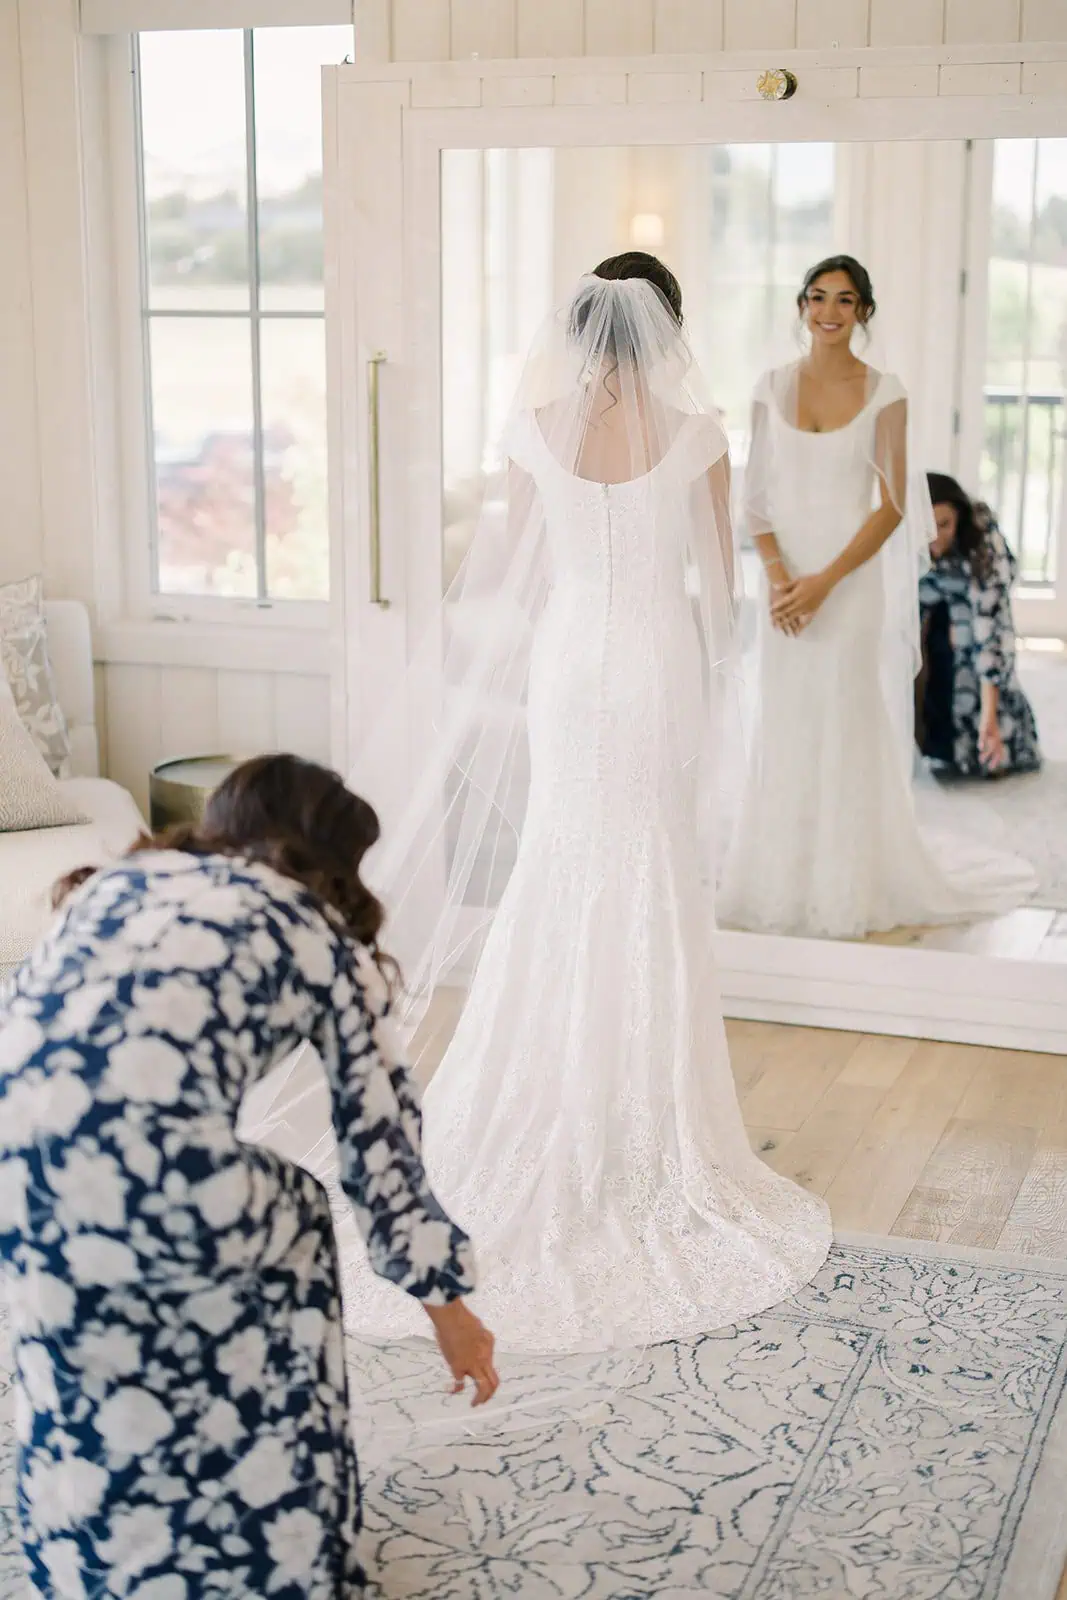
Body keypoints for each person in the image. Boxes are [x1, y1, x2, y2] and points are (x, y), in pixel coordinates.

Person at [246, 253, 834, 1365]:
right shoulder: (697, 435)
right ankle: (638, 1114)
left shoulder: (530, 429)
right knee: (647, 863)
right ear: (669, 330)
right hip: (652, 662)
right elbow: (718, 588)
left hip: (570, 667)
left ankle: (549, 1090)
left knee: (560, 858)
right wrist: (716, 688)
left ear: (576, 330)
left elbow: (518, 577)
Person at [0, 755, 496, 1597]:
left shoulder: (114, 883)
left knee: (86, 1340)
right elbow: (380, 1156)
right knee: (295, 1212)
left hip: (17, 1175)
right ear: (329, 862)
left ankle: (94, 1561)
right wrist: (450, 1311)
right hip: (154, 1184)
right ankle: (276, 1538)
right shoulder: (313, 928)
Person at [716, 254, 1036, 939]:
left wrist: (823, 581)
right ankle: (782, 873)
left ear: (863, 311)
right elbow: (755, 500)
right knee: (787, 716)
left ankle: (847, 878)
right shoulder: (769, 386)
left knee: (844, 713)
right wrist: (781, 580)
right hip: (784, 583)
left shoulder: (885, 392)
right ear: (802, 306)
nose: (828, 311)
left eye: (844, 299)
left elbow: (892, 505)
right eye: (817, 297)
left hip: (847, 581)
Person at [917, 472, 1041, 777]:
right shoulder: (907, 545)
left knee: (967, 639)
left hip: (980, 621)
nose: (935, 537)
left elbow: (991, 633)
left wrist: (989, 718)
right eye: (927, 527)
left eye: (944, 524)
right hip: (935, 613)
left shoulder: (985, 545)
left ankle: (989, 731)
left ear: (959, 518)